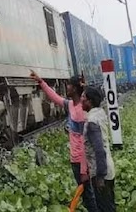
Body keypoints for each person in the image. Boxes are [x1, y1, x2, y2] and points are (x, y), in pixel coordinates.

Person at [30, 71, 96, 212]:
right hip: (75, 159)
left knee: (88, 195)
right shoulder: (71, 105)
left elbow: (86, 142)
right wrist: (41, 82)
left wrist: (85, 169)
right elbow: (55, 98)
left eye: (69, 86)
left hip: (82, 161)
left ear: (75, 89)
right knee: (86, 193)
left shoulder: (81, 112)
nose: (66, 88)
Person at [81, 86, 116, 212]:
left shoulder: (91, 121)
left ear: (89, 101)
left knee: (105, 208)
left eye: (83, 97)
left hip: (102, 172)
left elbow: (99, 150)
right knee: (109, 206)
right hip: (108, 168)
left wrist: (100, 176)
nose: (81, 100)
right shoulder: (100, 114)